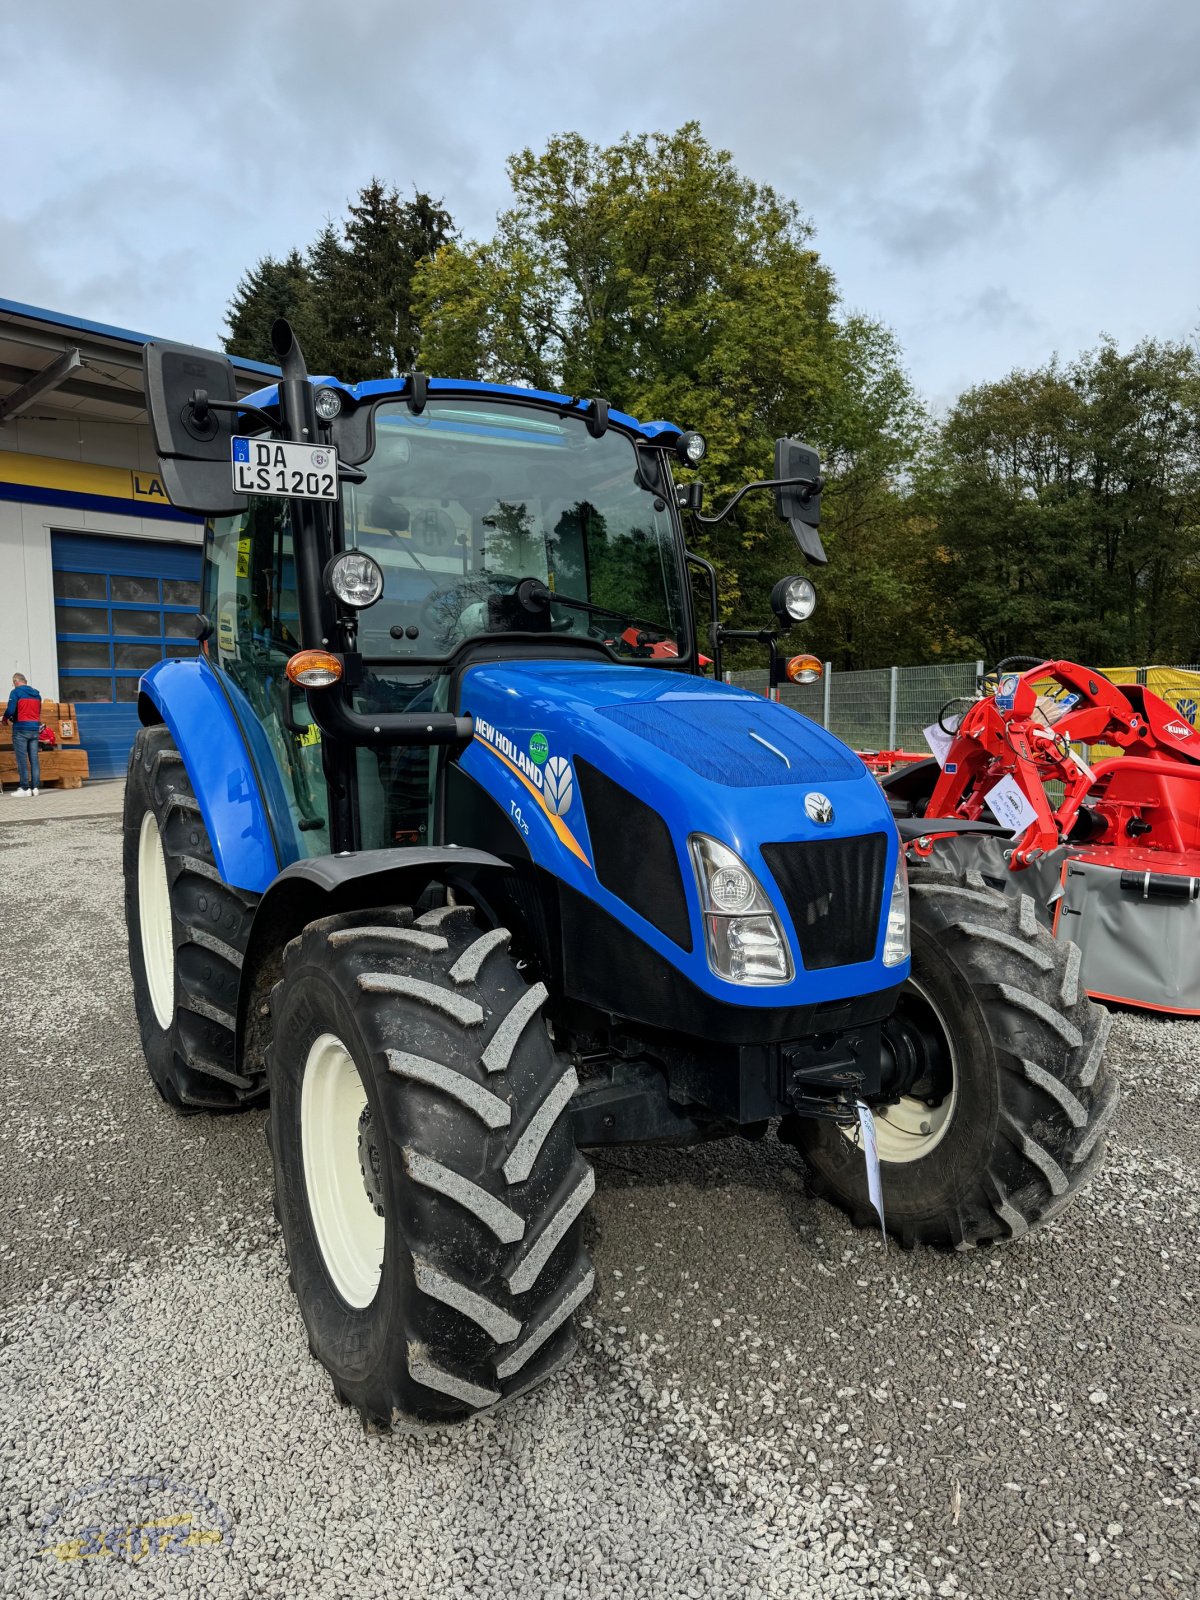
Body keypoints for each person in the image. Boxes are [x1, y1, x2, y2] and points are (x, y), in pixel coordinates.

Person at [3, 672, 43, 796]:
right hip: (34, 729)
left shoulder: (16, 692)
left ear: (16, 681)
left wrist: (4, 719)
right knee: (34, 759)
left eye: (13, 683)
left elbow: (10, 710)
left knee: (22, 760)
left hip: (21, 729)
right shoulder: (37, 694)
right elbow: (37, 712)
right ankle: (35, 788)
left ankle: (24, 788)